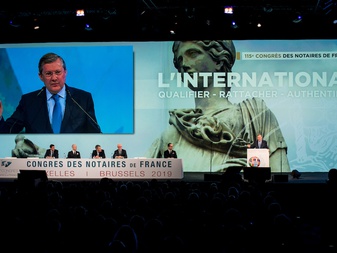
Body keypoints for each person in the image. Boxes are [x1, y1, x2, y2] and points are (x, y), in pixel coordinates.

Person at [145, 40, 290, 173]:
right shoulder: (175, 131)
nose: (184, 64)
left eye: (193, 54)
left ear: (219, 60)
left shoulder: (253, 114)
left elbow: (281, 176)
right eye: (179, 60)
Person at [0, 52, 101, 133]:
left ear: (65, 72)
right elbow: (8, 131)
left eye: (58, 72)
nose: (54, 78)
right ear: (41, 76)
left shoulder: (82, 99)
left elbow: (95, 134)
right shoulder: (29, 101)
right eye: (48, 74)